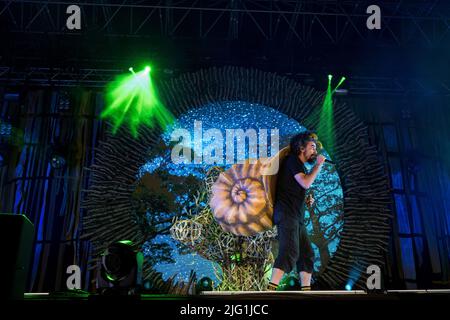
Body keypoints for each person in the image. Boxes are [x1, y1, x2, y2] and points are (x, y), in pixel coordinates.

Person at [267, 131, 325, 291]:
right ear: (301, 148)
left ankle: (306, 290)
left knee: (307, 254)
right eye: (312, 147)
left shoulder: (298, 166)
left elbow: (295, 188)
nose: (315, 151)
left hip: (296, 216)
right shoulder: (292, 160)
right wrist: (318, 165)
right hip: (287, 214)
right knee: (289, 251)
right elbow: (305, 183)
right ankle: (270, 290)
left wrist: (306, 200)